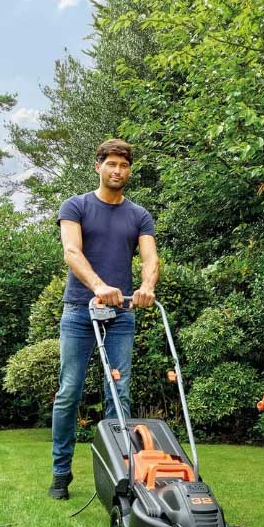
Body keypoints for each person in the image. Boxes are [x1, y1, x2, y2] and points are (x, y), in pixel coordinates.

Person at [48, 139, 159, 499]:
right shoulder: (76, 206)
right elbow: (71, 251)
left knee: (118, 392)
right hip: (80, 310)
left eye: (123, 166)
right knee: (70, 392)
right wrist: (98, 285)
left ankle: (120, 475)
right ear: (98, 166)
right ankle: (61, 473)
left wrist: (145, 287)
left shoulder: (139, 215)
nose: (117, 171)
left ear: (129, 170)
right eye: (111, 164)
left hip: (122, 314)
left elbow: (150, 259)